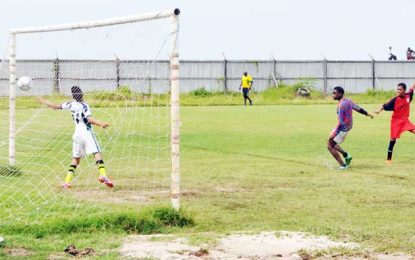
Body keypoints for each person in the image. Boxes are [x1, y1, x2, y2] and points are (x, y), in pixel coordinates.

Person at [38, 86, 113, 188]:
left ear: (73, 96)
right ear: (82, 94)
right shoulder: (85, 106)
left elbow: (55, 106)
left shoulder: (70, 104)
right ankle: (103, 175)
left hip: (77, 134)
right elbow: (89, 119)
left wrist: (43, 101)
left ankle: (67, 182)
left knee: (76, 159)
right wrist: (101, 123)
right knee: (97, 153)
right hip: (86, 132)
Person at [328, 86, 374, 170]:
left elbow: (340, 121)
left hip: (343, 128)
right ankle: (346, 155)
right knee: (333, 143)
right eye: (332, 93)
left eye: (335, 93)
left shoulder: (341, 105)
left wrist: (335, 131)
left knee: (330, 145)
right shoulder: (348, 101)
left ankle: (343, 165)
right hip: (348, 126)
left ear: (341, 94)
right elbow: (358, 108)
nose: (332, 95)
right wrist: (367, 114)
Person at [374, 82, 415, 164]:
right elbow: (384, 105)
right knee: (393, 139)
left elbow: (412, 88)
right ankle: (389, 159)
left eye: (400, 89)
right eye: (397, 89)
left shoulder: (408, 95)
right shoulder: (395, 100)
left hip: (405, 121)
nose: (398, 91)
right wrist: (378, 110)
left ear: (404, 90)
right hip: (396, 122)